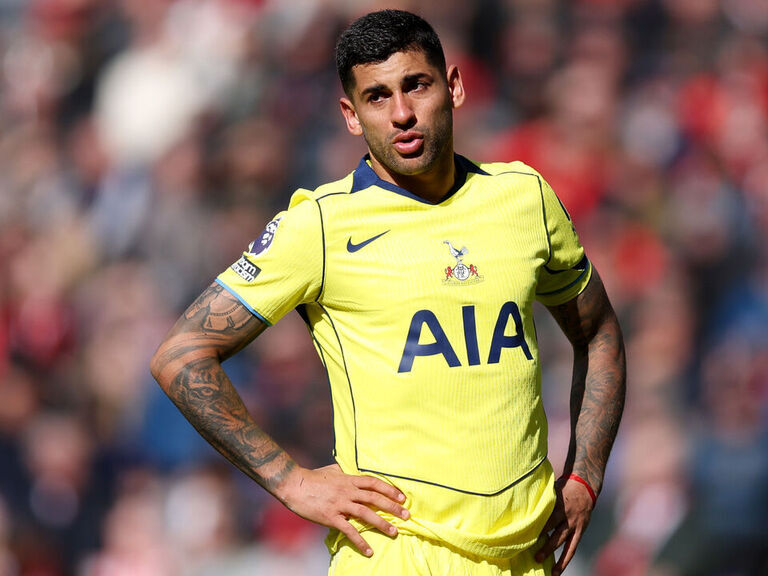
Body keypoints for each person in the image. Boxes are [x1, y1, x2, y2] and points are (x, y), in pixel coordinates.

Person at [150, 9, 626, 576]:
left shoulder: (525, 199)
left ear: (454, 86)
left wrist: (584, 477)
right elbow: (181, 356)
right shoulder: (319, 226)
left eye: (416, 85)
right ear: (351, 116)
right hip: (396, 553)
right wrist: (291, 481)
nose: (401, 113)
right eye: (377, 97)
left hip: (526, 556)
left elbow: (599, 332)